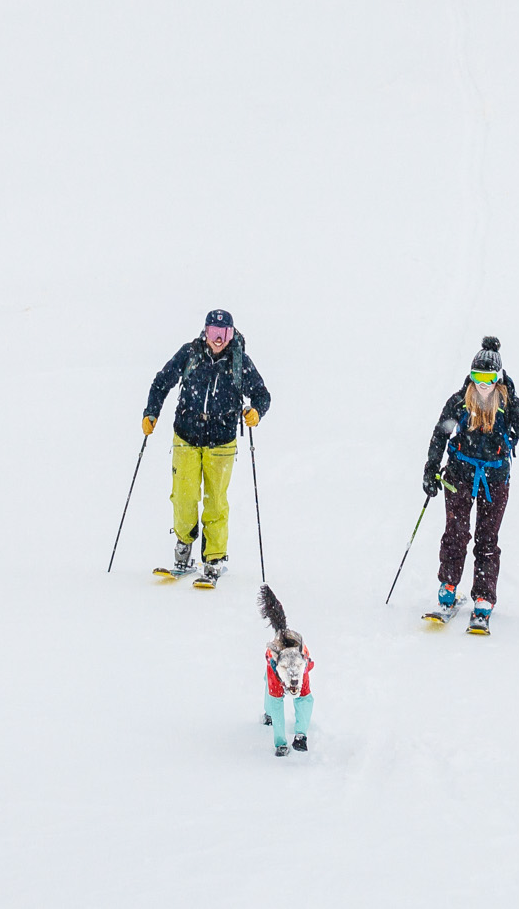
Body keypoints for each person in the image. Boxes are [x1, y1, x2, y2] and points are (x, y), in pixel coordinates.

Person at [421, 335, 519, 634]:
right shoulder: (459, 401)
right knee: (455, 532)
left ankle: (483, 599)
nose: (483, 384)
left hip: (495, 477)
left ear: (498, 377)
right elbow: (440, 434)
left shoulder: (508, 404)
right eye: (478, 377)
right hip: (458, 476)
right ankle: (448, 587)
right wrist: (430, 468)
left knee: (487, 540)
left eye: (489, 378)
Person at [142, 307, 268, 586]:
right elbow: (162, 382)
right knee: (183, 496)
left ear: (231, 334)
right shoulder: (190, 353)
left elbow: (262, 394)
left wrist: (256, 411)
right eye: (213, 332)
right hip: (186, 435)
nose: (218, 338)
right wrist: (151, 412)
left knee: (216, 501)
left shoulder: (239, 362)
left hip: (221, 442)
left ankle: (214, 558)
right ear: (205, 331)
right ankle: (183, 548)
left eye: (223, 333)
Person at [259, 585, 314, 756]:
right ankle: (269, 717)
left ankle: (301, 735)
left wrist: (301, 735)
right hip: (278, 667)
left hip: (293, 660)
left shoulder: (301, 667)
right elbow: (277, 706)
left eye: (298, 667)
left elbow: (305, 700)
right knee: (273, 699)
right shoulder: (273, 668)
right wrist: (280, 743)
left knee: (304, 699)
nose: (293, 675)